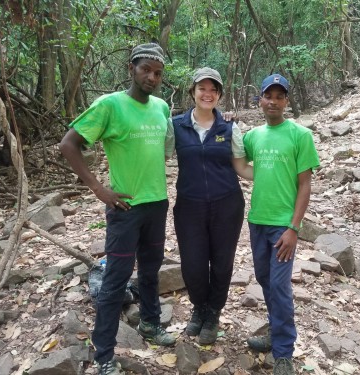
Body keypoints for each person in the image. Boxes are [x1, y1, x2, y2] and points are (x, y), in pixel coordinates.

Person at [59, 43, 176, 375]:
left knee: (151, 271)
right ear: (131, 68)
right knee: (115, 279)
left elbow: (162, 151)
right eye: (146, 70)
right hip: (125, 209)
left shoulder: (161, 108)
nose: (152, 77)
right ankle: (104, 356)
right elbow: (68, 145)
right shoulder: (109, 105)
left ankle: (151, 325)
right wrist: (99, 188)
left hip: (157, 203)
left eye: (157, 73)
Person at [242, 74, 320, 375]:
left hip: (282, 226)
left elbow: (305, 185)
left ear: (286, 101)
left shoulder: (300, 135)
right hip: (256, 221)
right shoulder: (253, 136)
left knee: (279, 285)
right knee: (264, 280)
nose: (273, 101)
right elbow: (242, 164)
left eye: (279, 96)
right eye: (268, 95)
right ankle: (275, 332)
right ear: (260, 99)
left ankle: (284, 351)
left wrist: (294, 228)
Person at [169, 67, 252, 345]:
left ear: (219, 95)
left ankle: (213, 312)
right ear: (192, 92)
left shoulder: (230, 127)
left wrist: (278, 173)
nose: (208, 93)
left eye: (213, 89)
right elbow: (156, 154)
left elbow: (241, 166)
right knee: (192, 263)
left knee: (221, 262)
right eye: (202, 88)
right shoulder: (176, 126)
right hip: (189, 206)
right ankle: (198, 308)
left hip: (226, 204)